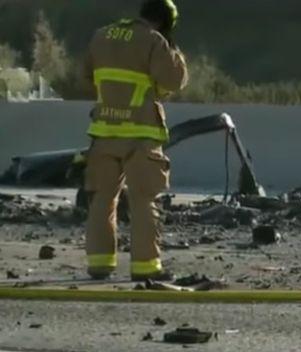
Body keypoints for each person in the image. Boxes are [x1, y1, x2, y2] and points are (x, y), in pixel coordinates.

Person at [83, 0, 188, 281]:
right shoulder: (153, 41)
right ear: (165, 22)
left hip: (104, 133)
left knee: (102, 200)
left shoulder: (101, 36)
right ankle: (145, 267)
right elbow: (175, 80)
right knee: (143, 201)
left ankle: (99, 264)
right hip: (141, 136)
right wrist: (172, 49)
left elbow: (87, 78)